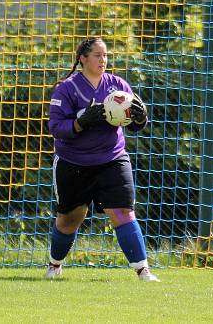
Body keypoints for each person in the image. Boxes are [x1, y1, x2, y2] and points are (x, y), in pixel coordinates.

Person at [46, 37, 159, 282]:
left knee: (123, 212)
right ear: (83, 58)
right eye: (97, 55)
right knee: (70, 220)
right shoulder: (66, 88)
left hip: (112, 158)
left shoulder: (118, 85)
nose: (103, 60)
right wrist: (80, 122)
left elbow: (136, 123)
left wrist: (140, 118)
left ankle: (143, 271)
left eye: (105, 55)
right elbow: (56, 127)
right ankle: (54, 265)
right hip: (74, 163)